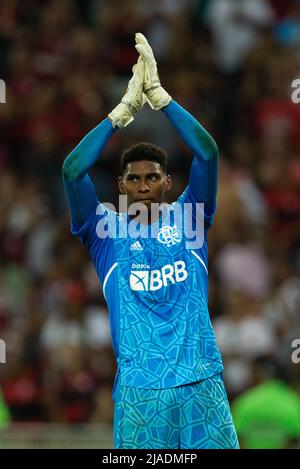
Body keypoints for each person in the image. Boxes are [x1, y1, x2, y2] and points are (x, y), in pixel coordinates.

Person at [62, 33, 239, 449]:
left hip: (201, 381)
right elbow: (72, 170)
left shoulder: (192, 215)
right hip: (142, 393)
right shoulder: (104, 231)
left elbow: (209, 153)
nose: (143, 185)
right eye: (134, 178)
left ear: (167, 182)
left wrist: (161, 99)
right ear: (121, 183)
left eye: (152, 177)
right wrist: (120, 114)